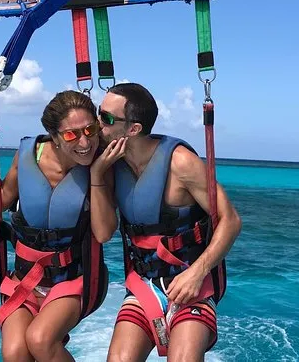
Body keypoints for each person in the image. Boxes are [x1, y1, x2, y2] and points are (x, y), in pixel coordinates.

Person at [94, 83, 242, 362]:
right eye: (98, 112)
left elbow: (231, 220)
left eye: (107, 118)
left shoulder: (181, 163)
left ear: (133, 129)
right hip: (145, 285)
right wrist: (97, 174)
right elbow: (102, 234)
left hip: (191, 283)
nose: (98, 122)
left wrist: (197, 273)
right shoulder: (111, 163)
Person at [0, 90, 126, 362]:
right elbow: (0, 202)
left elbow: (104, 233)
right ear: (54, 137)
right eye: (71, 135)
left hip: (77, 280)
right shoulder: (28, 156)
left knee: (40, 340)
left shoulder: (102, 164)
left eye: (90, 130)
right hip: (26, 279)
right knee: (14, 353)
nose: (84, 142)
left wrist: (96, 175)